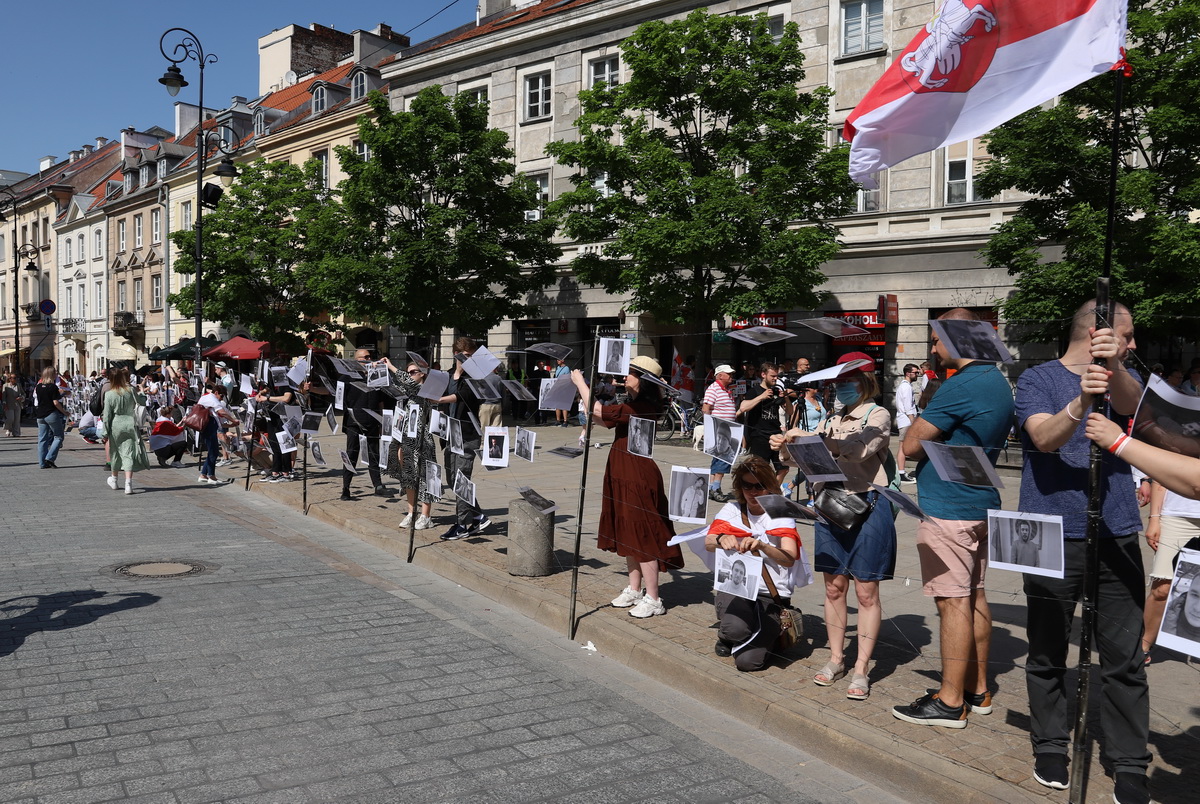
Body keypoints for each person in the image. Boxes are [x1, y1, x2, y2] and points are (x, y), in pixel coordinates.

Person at [1018, 300, 1149, 802]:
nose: (1134, 344)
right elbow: (1043, 438)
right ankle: (1051, 741)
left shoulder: (1121, 379)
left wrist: (1112, 368)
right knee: (1047, 649)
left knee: (1124, 656)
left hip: (1116, 532)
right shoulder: (1036, 379)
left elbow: (1136, 408)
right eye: (1128, 335)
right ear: (1097, 331)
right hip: (1046, 531)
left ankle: (1129, 761)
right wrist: (1078, 402)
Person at [893, 310, 1013, 729]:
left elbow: (910, 445)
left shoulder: (960, 385)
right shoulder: (997, 381)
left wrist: (918, 428)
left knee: (952, 603)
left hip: (948, 507)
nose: (932, 347)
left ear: (958, 340)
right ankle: (977, 690)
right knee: (976, 595)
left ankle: (948, 701)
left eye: (936, 339)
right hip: (979, 505)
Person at [772, 352, 894, 701]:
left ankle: (861, 668)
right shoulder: (830, 417)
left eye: (848, 381)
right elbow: (809, 462)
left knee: (866, 592)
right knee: (833, 588)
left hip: (867, 506)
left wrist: (821, 441)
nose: (841, 388)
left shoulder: (878, 415)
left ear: (866, 382)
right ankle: (837, 659)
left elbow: (858, 451)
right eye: (838, 382)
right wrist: (786, 446)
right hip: (830, 506)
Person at [570, 355, 682, 618]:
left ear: (642, 380)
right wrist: (589, 404)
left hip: (637, 476)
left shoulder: (642, 406)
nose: (624, 378)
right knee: (626, 530)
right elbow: (602, 420)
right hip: (622, 470)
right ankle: (635, 588)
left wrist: (580, 383)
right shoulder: (632, 404)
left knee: (641, 533)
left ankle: (654, 598)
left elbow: (598, 411)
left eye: (630, 373)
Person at [705, 455, 803, 671]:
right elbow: (708, 542)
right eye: (746, 486)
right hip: (738, 588)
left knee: (747, 663)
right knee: (734, 630)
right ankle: (729, 636)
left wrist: (763, 547)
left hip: (769, 593)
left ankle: (771, 636)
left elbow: (789, 558)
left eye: (758, 486)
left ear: (769, 486)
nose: (752, 492)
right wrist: (722, 539)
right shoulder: (732, 510)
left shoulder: (780, 513)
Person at [436, 338, 491, 540]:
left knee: (462, 479)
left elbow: (464, 396)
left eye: (470, 356)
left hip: (467, 435)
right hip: (449, 434)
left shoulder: (475, 377)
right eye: (463, 355)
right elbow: (440, 392)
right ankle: (478, 515)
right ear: (455, 354)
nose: (466, 359)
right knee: (452, 480)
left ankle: (461, 524)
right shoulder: (448, 375)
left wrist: (458, 377)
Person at [385, 360, 436, 531]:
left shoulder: (426, 389)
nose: (410, 375)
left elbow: (407, 382)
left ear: (422, 373)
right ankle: (411, 512)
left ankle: (426, 516)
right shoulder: (406, 391)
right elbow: (390, 386)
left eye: (413, 372)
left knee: (424, 477)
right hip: (405, 437)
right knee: (408, 476)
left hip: (422, 439)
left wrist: (392, 367)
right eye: (409, 372)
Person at [341, 349, 387, 501]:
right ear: (357, 360)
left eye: (369, 356)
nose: (369, 359)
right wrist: (312, 389)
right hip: (353, 422)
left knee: (374, 454)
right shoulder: (348, 377)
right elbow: (335, 394)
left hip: (372, 421)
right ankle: (346, 488)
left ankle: (378, 485)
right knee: (351, 454)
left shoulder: (377, 376)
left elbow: (380, 400)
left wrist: (381, 421)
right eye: (365, 357)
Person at [102, 367, 149, 494]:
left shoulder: (109, 394)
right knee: (128, 452)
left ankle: (115, 480)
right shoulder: (130, 390)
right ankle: (128, 484)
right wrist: (142, 392)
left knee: (115, 452)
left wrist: (104, 432)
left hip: (116, 424)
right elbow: (142, 402)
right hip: (130, 423)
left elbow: (106, 416)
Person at [739, 362, 787, 484]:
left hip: (776, 434)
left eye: (777, 376)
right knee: (760, 470)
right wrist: (762, 396)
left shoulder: (776, 390)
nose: (775, 379)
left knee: (783, 468)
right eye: (773, 376)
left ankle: (773, 491)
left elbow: (790, 411)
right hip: (759, 435)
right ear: (763, 374)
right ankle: (761, 493)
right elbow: (743, 407)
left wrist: (785, 397)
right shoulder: (754, 391)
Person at [703, 364, 738, 501]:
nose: (731, 376)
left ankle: (712, 487)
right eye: (728, 374)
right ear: (720, 375)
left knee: (718, 459)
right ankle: (716, 488)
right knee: (724, 458)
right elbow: (706, 408)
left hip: (726, 429)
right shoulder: (714, 389)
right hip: (720, 429)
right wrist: (709, 428)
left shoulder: (726, 389)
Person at [195, 383, 236, 484]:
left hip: (211, 426)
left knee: (212, 451)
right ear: (216, 392)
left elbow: (220, 420)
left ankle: (203, 474)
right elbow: (222, 412)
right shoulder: (212, 398)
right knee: (213, 452)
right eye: (221, 396)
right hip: (208, 427)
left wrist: (231, 425)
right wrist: (233, 420)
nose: (222, 399)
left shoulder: (211, 400)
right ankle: (211, 476)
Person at [34, 367, 67, 469]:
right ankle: (49, 458)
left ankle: (42, 463)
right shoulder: (53, 387)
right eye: (55, 374)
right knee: (59, 436)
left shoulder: (39, 387)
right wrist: (64, 412)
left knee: (42, 439)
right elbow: (55, 402)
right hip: (51, 414)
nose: (56, 375)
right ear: (52, 375)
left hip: (40, 415)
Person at [894, 364, 921, 483]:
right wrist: (913, 422)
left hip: (904, 419)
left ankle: (901, 472)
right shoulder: (906, 387)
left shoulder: (905, 386)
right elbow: (907, 406)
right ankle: (901, 472)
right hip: (906, 420)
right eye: (915, 372)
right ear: (908, 373)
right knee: (903, 447)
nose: (917, 375)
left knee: (903, 447)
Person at [554, 357, 572, 426]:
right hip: (558, 387)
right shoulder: (557, 368)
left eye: (559, 359)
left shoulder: (566, 368)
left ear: (562, 360)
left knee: (564, 404)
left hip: (564, 388)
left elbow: (567, 377)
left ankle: (565, 420)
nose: (557, 361)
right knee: (557, 404)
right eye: (557, 360)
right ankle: (558, 420)